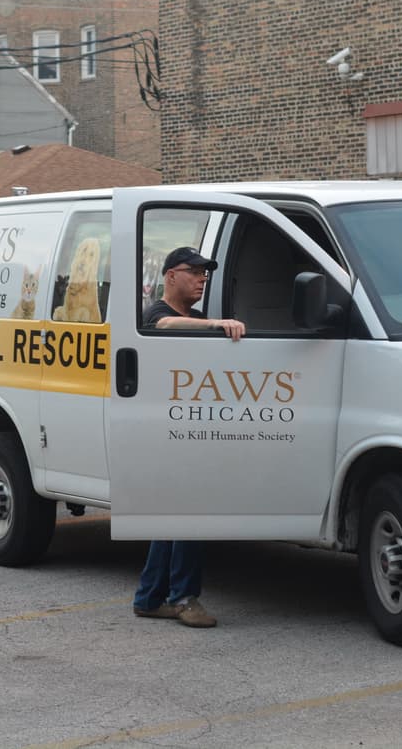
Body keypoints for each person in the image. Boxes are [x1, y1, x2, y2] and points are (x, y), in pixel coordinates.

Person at [132, 247, 247, 629]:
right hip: (165, 430)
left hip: (188, 426)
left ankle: (149, 599)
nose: (201, 279)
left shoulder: (195, 318)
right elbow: (164, 328)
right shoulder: (156, 314)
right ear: (169, 276)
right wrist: (217, 324)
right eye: (193, 272)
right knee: (190, 513)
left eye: (205, 274)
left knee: (171, 517)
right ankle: (182, 597)